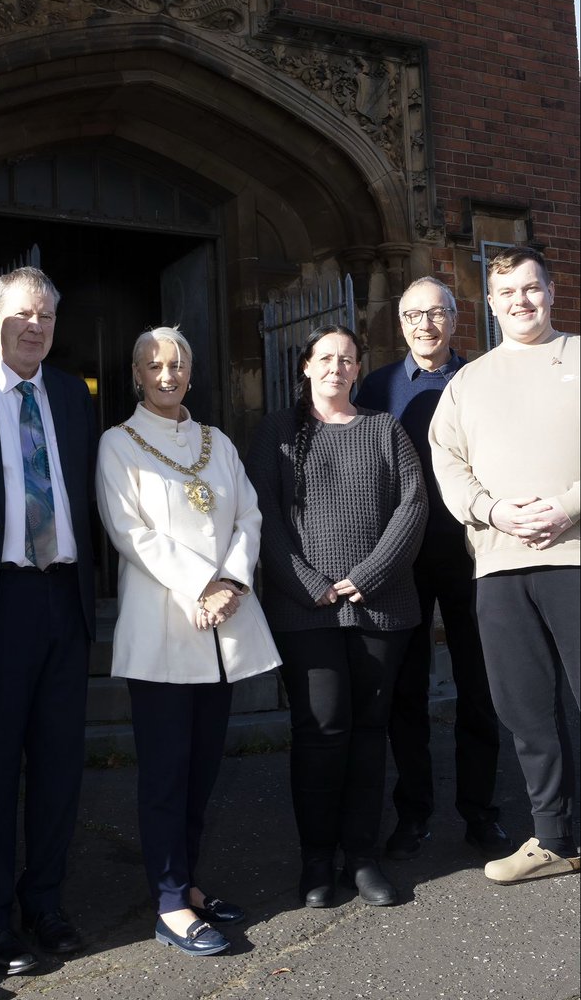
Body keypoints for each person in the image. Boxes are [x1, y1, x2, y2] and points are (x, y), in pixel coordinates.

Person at [95, 327, 280, 958]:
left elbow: (249, 514)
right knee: (166, 776)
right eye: (154, 365)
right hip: (164, 629)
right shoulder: (118, 444)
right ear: (137, 374)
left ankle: (190, 884)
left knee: (202, 772)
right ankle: (169, 902)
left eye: (177, 365)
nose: (167, 375)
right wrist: (202, 583)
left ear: (191, 374)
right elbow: (130, 530)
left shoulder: (218, 442)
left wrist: (229, 579)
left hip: (222, 627)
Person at [0, 266, 96, 975]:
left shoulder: (71, 395)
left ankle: (47, 904)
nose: (33, 326)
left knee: (60, 767)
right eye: (20, 314)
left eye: (45, 316)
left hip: (64, 600)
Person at [246, 325, 428, 909]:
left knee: (371, 732)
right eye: (325, 358)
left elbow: (413, 505)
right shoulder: (276, 431)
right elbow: (262, 513)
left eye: (347, 360)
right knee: (321, 730)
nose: (336, 368)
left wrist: (366, 577)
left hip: (381, 607)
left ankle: (362, 856)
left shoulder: (384, 428)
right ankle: (317, 860)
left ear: (357, 369)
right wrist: (309, 585)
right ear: (305, 366)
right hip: (306, 612)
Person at [430, 246, 580, 883]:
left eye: (531, 288)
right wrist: (491, 512)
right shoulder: (469, 381)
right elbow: (447, 461)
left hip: (575, 556)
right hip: (498, 565)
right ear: (490, 306)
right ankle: (554, 838)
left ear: (551, 292)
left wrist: (569, 508)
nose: (521, 301)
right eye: (507, 293)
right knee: (524, 709)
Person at [356, 278, 510, 861]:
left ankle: (480, 811)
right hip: (402, 559)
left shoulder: (480, 381)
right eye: (414, 315)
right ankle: (413, 812)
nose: (426, 324)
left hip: (474, 552)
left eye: (437, 313)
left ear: (455, 318)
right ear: (400, 323)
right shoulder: (378, 386)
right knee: (407, 690)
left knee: (478, 686)